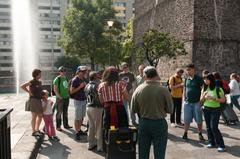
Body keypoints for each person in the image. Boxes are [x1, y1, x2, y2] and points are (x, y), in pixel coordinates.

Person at [131, 66, 173, 159]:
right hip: (159, 123)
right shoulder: (164, 90)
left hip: (144, 122)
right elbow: (170, 109)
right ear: (156, 75)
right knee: (159, 152)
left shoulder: (138, 89)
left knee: (143, 152)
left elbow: (133, 109)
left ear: (145, 76)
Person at [98, 66, 129, 134]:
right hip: (119, 108)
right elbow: (127, 97)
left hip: (107, 109)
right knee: (122, 125)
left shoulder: (101, 85)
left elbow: (101, 101)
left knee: (108, 126)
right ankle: (121, 140)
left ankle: (109, 141)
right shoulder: (121, 84)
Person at [200, 73, 226, 152]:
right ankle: (212, 142)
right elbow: (200, 101)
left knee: (214, 127)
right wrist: (203, 96)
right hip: (206, 109)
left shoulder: (218, 88)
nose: (205, 81)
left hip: (215, 109)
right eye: (204, 79)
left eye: (207, 79)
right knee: (208, 127)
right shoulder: (204, 88)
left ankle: (221, 145)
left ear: (211, 80)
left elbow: (223, 100)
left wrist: (214, 98)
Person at [182, 64, 205, 141]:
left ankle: (200, 133)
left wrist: (201, 100)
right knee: (186, 119)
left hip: (196, 103)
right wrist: (184, 98)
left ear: (193, 70)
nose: (187, 71)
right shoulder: (186, 79)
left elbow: (203, 89)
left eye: (189, 69)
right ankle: (185, 133)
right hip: (187, 103)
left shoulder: (198, 79)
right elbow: (185, 88)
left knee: (199, 119)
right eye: (187, 70)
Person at [21, 69, 43, 136]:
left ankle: (37, 129)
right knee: (34, 116)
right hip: (33, 100)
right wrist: (29, 92)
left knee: (40, 115)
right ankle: (34, 131)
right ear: (36, 74)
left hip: (39, 100)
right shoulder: (32, 81)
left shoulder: (39, 82)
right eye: (40, 74)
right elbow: (22, 86)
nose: (41, 75)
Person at [85, 71, 103, 151]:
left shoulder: (87, 85)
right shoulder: (97, 85)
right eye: (97, 75)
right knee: (99, 127)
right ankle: (100, 146)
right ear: (95, 77)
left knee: (91, 127)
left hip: (88, 107)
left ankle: (90, 144)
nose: (99, 76)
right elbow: (100, 97)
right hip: (97, 107)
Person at [70, 66, 88, 140]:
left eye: (84, 71)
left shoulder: (83, 79)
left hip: (83, 100)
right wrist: (80, 87)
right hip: (78, 100)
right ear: (78, 71)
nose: (83, 73)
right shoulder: (75, 80)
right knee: (77, 117)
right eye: (82, 71)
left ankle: (79, 129)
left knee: (82, 116)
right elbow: (71, 91)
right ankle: (77, 131)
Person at [53, 66, 72, 131]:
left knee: (65, 112)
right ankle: (58, 126)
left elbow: (67, 87)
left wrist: (68, 94)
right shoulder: (57, 79)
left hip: (66, 97)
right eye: (61, 71)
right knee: (59, 112)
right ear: (59, 72)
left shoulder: (66, 78)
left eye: (64, 71)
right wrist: (59, 96)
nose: (63, 72)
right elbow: (55, 89)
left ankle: (66, 125)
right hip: (60, 98)